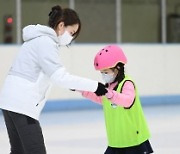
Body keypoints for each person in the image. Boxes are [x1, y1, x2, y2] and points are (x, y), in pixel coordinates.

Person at [0, 5, 107, 154]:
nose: (71, 38)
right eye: (71, 33)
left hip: (10, 102)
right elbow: (60, 77)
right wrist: (95, 86)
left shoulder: (36, 40)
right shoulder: (46, 42)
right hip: (22, 104)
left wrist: (74, 85)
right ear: (61, 25)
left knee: (18, 151)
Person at [79, 45, 154, 154]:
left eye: (106, 72)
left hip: (133, 142)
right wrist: (82, 89)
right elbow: (101, 99)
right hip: (116, 142)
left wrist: (109, 94)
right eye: (102, 72)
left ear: (118, 68)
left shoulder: (127, 83)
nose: (104, 75)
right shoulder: (109, 86)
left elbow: (127, 100)